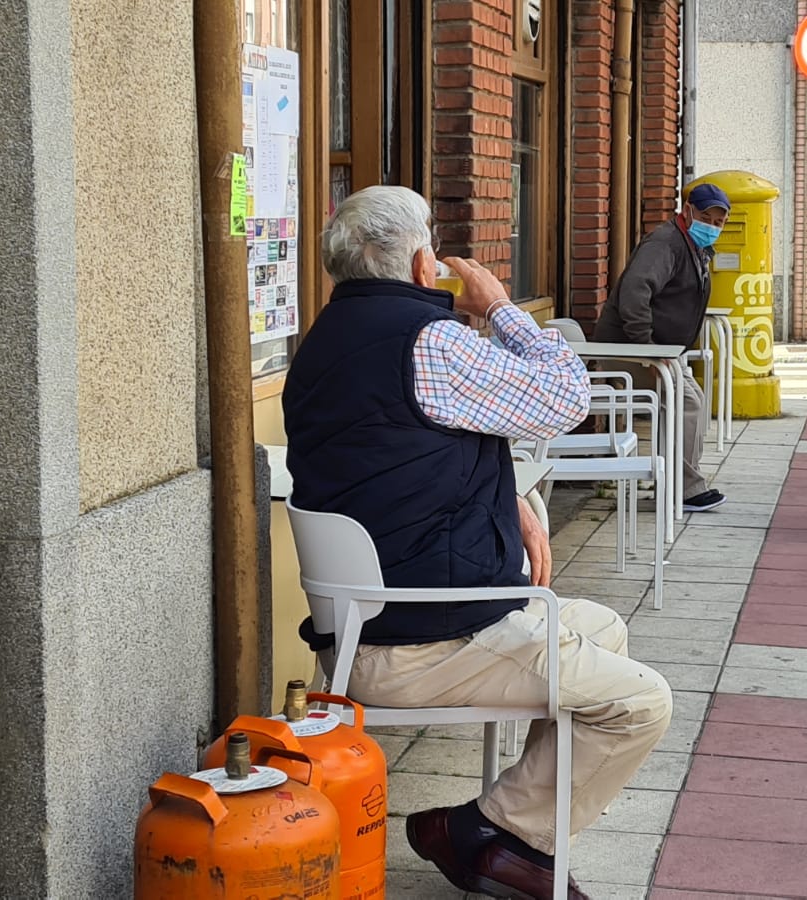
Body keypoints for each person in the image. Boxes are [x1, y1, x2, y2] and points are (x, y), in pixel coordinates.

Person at [283, 186, 672, 900]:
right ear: (425, 261)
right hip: (425, 640)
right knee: (641, 703)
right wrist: (499, 308)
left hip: (365, 630)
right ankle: (489, 831)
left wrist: (515, 497)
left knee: (605, 627)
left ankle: (507, 838)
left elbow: (404, 460)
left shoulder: (321, 345)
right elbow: (564, 400)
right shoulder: (429, 340)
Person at [593, 182, 731, 512]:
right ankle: (681, 489)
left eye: (718, 222)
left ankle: (679, 483)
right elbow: (634, 294)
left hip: (657, 351)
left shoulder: (692, 246)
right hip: (629, 351)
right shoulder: (666, 243)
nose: (711, 226)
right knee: (684, 400)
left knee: (692, 398)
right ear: (687, 212)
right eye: (706, 217)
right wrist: (647, 350)